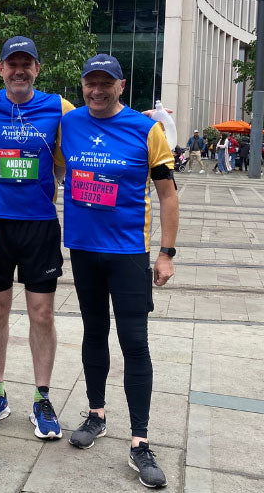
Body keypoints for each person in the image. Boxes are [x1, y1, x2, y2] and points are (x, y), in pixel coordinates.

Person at [60, 54, 177, 489]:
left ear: (121, 86)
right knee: (93, 332)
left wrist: (166, 253)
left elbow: (168, 195)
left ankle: (140, 441)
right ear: (83, 85)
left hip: (128, 252)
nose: (97, 90)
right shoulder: (68, 122)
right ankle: (96, 414)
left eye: (105, 83)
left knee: (134, 342)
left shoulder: (146, 130)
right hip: (84, 249)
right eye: (90, 82)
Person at [0, 37, 73, 440]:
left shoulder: (58, 107)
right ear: (1, 68)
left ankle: (42, 397)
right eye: (13, 64)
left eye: (27, 64)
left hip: (39, 225)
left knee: (42, 314)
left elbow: (95, 123)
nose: (19, 70)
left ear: (37, 69)